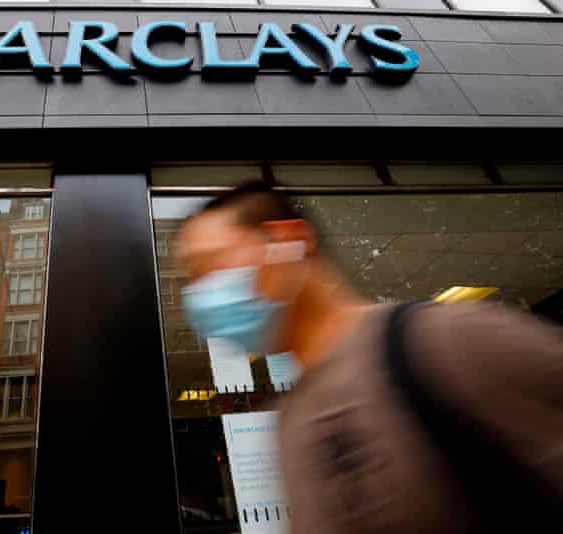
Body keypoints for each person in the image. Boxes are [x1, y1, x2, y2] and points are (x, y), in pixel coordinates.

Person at [177, 181, 563, 534]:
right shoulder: (291, 419)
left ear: (289, 241)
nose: (202, 292)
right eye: (192, 277)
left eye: (213, 262)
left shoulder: (446, 340)